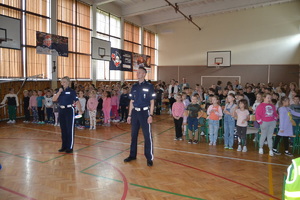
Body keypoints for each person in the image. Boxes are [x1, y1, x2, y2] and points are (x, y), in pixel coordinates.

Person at [124, 66, 156, 167]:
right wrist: (129, 115)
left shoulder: (149, 86)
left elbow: (152, 101)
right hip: (135, 113)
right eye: (137, 72)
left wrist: (150, 115)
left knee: (147, 136)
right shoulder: (134, 86)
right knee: (133, 135)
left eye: (139, 72)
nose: (137, 74)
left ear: (144, 74)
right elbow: (131, 101)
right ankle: (132, 155)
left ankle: (149, 158)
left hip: (145, 113)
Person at [52, 76, 82, 153]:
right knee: (63, 129)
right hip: (61, 110)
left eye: (64, 82)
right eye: (62, 82)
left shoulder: (71, 91)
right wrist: (59, 92)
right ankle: (64, 146)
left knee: (69, 129)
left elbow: (77, 101)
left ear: (68, 82)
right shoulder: (59, 91)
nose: (63, 83)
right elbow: (54, 99)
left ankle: (70, 147)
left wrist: (80, 110)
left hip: (69, 110)